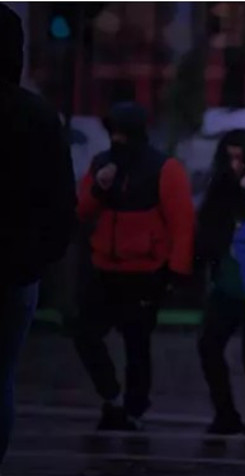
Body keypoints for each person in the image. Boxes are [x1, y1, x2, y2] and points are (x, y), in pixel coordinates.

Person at [74, 102, 195, 431]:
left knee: (137, 343)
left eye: (122, 132)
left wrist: (176, 270)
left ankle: (133, 408)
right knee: (85, 332)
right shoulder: (103, 163)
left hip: (145, 270)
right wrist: (100, 187)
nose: (117, 139)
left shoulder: (164, 168)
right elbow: (81, 210)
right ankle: (111, 394)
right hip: (104, 267)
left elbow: (182, 222)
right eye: (112, 132)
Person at [0, 5, 77, 465]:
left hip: (19, 265)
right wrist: (40, 259)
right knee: (2, 376)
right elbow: (59, 200)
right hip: (15, 270)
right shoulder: (38, 116)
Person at [197, 130, 245, 437]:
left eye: (241, 158)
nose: (235, 165)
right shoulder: (221, 188)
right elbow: (208, 229)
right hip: (229, 283)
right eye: (230, 158)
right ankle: (225, 412)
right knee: (209, 345)